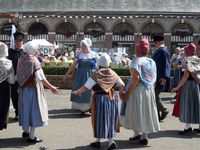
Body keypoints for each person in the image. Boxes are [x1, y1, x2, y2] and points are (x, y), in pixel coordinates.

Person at [72, 54, 125, 150]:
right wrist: (120, 94)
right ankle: (103, 141)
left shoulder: (96, 74)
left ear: (99, 64)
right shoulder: (113, 73)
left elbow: (86, 87)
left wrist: (77, 92)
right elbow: (122, 85)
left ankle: (109, 143)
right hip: (112, 98)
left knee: (99, 120)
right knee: (110, 119)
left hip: (100, 99)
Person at [17, 41, 59, 143]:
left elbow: (17, 75)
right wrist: (51, 87)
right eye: (36, 49)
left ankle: (26, 131)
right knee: (34, 111)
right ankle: (31, 137)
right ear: (32, 49)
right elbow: (41, 77)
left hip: (23, 89)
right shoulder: (34, 60)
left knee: (25, 110)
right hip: (32, 89)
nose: (37, 51)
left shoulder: (22, 59)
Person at [122, 38, 160, 146]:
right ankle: (144, 136)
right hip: (149, 90)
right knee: (145, 112)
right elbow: (154, 79)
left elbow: (135, 78)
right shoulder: (152, 62)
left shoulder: (136, 61)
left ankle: (137, 134)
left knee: (136, 112)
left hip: (137, 90)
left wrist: (127, 93)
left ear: (138, 50)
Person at [63, 38, 98, 116]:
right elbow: (73, 65)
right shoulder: (79, 54)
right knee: (79, 89)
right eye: (81, 45)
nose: (82, 47)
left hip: (90, 75)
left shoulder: (94, 54)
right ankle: (81, 108)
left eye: (83, 45)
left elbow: (98, 66)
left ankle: (90, 107)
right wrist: (67, 73)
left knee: (89, 91)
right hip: (80, 75)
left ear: (88, 46)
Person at [171, 43, 200, 135]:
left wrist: (177, 87)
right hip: (197, 85)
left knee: (187, 105)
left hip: (188, 86)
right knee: (197, 105)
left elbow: (186, 75)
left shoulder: (186, 60)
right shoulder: (198, 59)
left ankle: (188, 127)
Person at [152, 34, 170, 121]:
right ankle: (158, 116)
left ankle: (164, 110)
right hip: (155, 77)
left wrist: (165, 77)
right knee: (155, 97)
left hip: (160, 78)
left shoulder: (163, 51)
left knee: (154, 96)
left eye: (155, 42)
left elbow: (166, 65)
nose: (154, 43)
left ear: (160, 42)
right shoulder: (159, 50)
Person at [8, 31, 25, 120]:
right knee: (14, 96)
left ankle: (20, 113)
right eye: (17, 41)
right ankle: (17, 112)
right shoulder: (9, 52)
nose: (18, 43)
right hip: (13, 78)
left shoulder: (24, 53)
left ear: (22, 42)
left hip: (23, 79)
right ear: (14, 42)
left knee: (22, 97)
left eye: (20, 41)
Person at [0, 42, 15, 130]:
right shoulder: (8, 62)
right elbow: (12, 80)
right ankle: (1, 124)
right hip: (4, 87)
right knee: (3, 105)